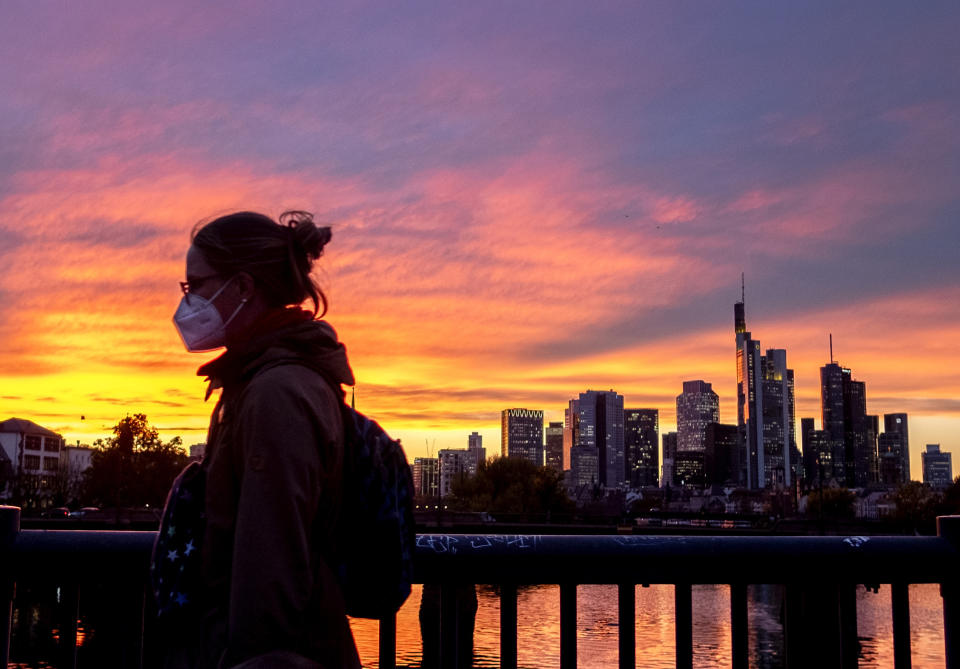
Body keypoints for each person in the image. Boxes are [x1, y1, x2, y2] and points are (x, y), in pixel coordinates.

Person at [164, 210, 362, 669]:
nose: (187, 303)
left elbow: (269, 577)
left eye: (195, 286)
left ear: (243, 288)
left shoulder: (278, 394)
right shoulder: (259, 381)